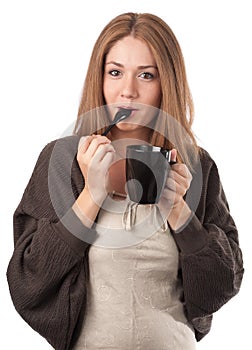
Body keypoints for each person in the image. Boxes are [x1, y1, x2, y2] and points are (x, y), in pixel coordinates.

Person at [7, 12, 244, 350]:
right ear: (99, 78)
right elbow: (28, 282)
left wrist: (180, 213)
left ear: (167, 84)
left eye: (146, 75)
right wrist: (91, 195)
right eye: (115, 72)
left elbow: (221, 286)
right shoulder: (61, 161)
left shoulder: (197, 165)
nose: (128, 91)